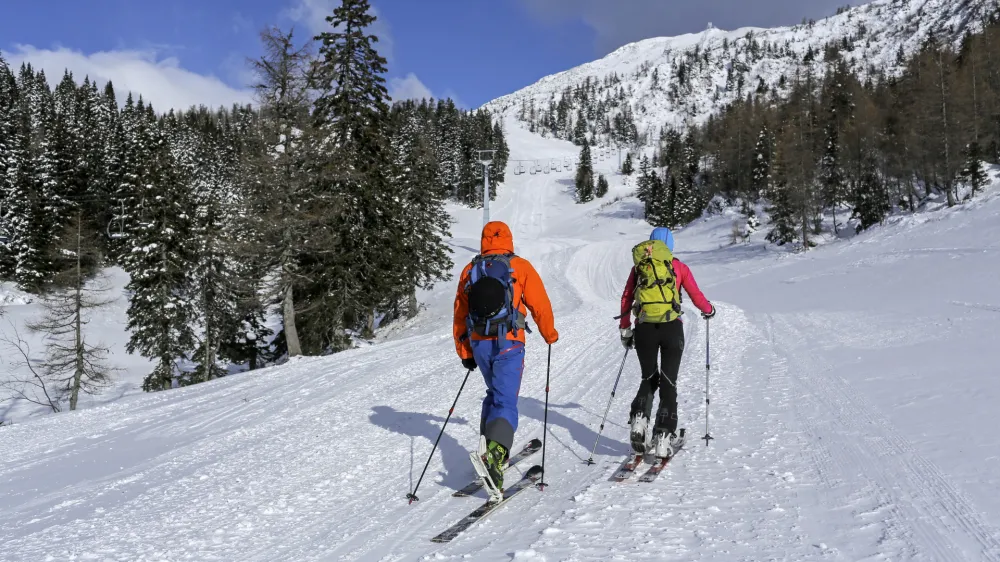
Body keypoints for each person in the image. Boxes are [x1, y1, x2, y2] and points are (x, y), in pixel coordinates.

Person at [453, 221, 558, 492]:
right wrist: (549, 334)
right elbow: (540, 303)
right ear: (508, 239)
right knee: (506, 400)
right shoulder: (519, 266)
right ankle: (496, 456)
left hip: (479, 343)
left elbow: (459, 314)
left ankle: (488, 445)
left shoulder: (470, 269)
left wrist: (465, 351)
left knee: (494, 392)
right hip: (509, 343)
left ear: (483, 239)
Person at [618, 227, 715, 459]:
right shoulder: (678, 267)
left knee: (648, 377)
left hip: (644, 329)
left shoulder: (639, 268)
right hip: (672, 328)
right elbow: (696, 295)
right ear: (670, 245)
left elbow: (626, 297)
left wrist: (625, 327)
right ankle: (663, 435)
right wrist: (709, 310)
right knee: (669, 382)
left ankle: (640, 420)